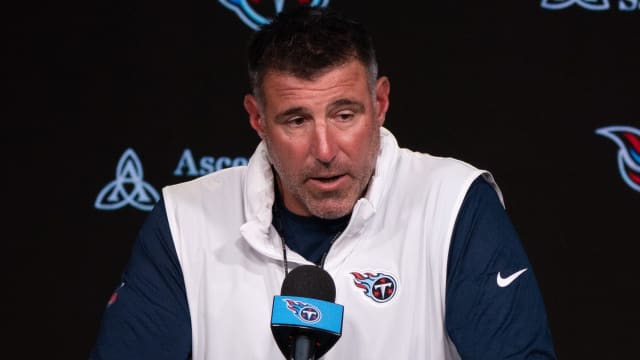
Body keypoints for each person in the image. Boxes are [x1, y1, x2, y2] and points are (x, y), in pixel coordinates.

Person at [90, 5, 557, 359]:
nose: (326, 149)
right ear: (257, 118)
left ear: (381, 102)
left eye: (345, 114)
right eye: (296, 120)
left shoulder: (453, 202)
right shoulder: (185, 218)